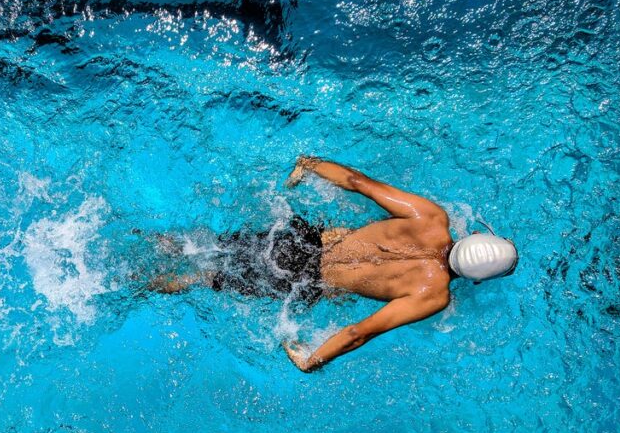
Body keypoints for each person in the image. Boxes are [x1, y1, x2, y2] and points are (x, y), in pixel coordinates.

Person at [147, 156, 518, 372]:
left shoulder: (431, 218)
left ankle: (147, 239)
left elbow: (358, 182)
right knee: (204, 278)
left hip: (300, 240)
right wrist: (312, 360)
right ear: (477, 280)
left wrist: (310, 165)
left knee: (199, 246)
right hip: (305, 281)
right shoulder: (433, 295)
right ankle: (139, 283)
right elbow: (360, 332)